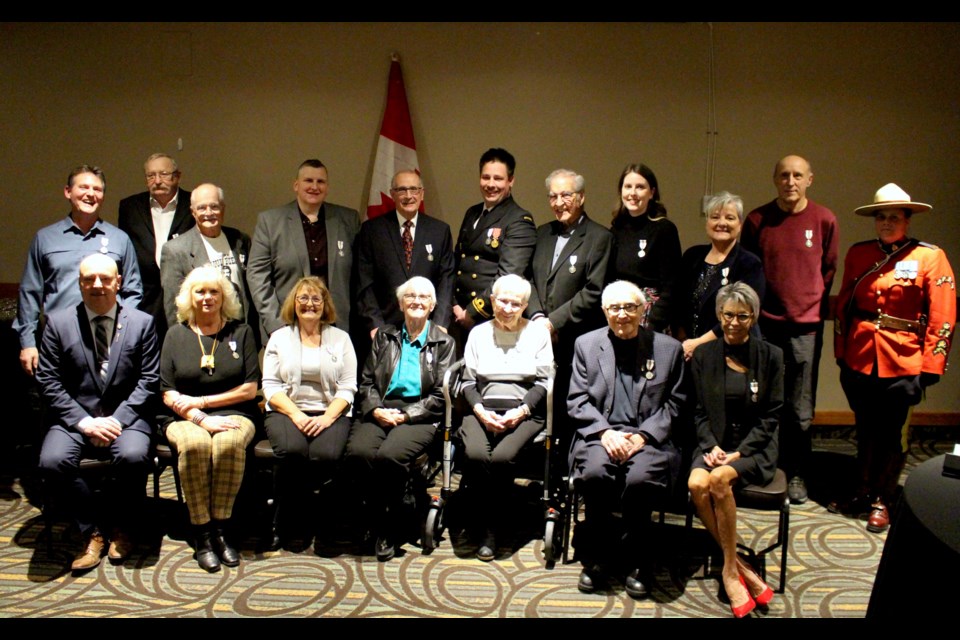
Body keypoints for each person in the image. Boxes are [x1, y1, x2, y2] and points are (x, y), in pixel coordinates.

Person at [831, 183, 955, 533]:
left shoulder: (930, 257)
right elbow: (845, 306)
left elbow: (942, 315)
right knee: (865, 429)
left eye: (894, 217)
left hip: (904, 361)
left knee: (892, 435)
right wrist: (842, 352)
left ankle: (883, 498)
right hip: (860, 357)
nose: (886, 223)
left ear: (907, 220)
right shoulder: (860, 253)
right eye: (881, 217)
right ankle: (862, 490)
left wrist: (932, 365)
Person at [36, 253, 159, 572]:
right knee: (52, 461)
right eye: (89, 279)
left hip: (126, 417)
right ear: (79, 283)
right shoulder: (58, 324)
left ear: (118, 282)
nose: (97, 285)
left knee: (133, 456)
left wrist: (117, 420)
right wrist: (84, 422)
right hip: (75, 418)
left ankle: (122, 527)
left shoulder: (142, 323)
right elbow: (48, 380)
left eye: (105, 278)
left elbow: (148, 380)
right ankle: (91, 529)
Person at [567, 280, 685, 599]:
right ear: (604, 311)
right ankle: (597, 559)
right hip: (599, 433)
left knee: (640, 480)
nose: (622, 315)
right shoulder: (586, 345)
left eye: (630, 307)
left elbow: (677, 404)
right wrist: (604, 432)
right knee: (593, 474)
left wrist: (643, 436)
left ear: (643, 309)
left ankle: (638, 561)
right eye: (615, 308)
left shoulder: (668, 349)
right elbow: (577, 399)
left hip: (648, 438)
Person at [741, 155, 839, 504]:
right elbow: (749, 270)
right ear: (775, 179)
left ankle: (797, 472)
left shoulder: (824, 219)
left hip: (805, 329)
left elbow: (828, 271)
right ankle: (767, 468)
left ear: (809, 179)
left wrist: (808, 303)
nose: (790, 181)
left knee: (800, 407)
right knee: (765, 401)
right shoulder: (757, 220)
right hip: (766, 326)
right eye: (784, 175)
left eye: (798, 175)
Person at [687, 282, 782, 617]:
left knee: (718, 481)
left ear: (753, 317)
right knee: (696, 483)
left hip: (752, 448)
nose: (734, 322)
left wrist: (738, 453)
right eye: (728, 314)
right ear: (719, 315)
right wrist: (710, 446)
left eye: (742, 316)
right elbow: (698, 410)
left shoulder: (771, 356)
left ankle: (729, 571)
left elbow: (771, 415)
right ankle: (740, 564)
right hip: (713, 441)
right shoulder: (703, 354)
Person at [345, 276, 456, 561]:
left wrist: (406, 415)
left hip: (420, 415)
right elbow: (367, 381)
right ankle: (371, 516)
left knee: (389, 456)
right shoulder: (385, 335)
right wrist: (375, 410)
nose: (417, 302)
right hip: (381, 409)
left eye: (423, 298)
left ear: (432, 305)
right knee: (359, 452)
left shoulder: (444, 342)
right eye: (410, 297)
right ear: (400, 303)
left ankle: (389, 527)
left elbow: (440, 396)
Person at [159, 266, 261, 573]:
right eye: (200, 291)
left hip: (236, 414)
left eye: (214, 291)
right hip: (185, 417)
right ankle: (201, 533)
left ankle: (221, 529)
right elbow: (166, 391)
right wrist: (200, 417)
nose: (207, 298)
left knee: (228, 444)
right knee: (195, 446)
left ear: (224, 297)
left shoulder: (241, 332)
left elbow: (249, 389)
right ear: (189, 297)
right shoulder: (175, 335)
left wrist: (204, 402)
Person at [15, 165, 142, 377]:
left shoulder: (120, 239)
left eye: (97, 189)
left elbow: (133, 290)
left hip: (107, 342)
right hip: (57, 341)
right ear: (68, 192)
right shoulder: (45, 238)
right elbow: (30, 293)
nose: (90, 194)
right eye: (84, 187)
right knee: (57, 404)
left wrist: (122, 333)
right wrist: (28, 343)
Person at [460, 274, 552, 561]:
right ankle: (487, 518)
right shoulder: (477, 333)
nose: (508, 308)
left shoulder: (538, 333)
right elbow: (466, 381)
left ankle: (491, 529)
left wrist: (521, 411)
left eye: (515, 303)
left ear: (525, 306)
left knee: (500, 458)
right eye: (502, 301)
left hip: (526, 411)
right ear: (492, 301)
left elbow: (545, 381)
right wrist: (479, 410)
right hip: (482, 408)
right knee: (476, 455)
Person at [262, 276, 357, 545]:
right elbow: (270, 386)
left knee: (325, 455)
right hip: (286, 410)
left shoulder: (341, 339)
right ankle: (290, 520)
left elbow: (349, 387)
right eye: (303, 298)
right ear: (294, 302)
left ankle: (327, 521)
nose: (309, 304)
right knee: (293, 452)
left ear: (325, 304)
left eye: (316, 299)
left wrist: (327, 417)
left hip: (331, 411)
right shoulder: (279, 338)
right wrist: (296, 414)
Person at [528, 169, 612, 470]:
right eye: (553, 196)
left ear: (581, 197)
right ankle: (540, 471)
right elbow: (530, 281)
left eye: (566, 195)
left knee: (569, 407)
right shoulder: (541, 233)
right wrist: (538, 316)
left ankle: (566, 473)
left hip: (575, 339)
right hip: (538, 337)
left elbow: (594, 290)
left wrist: (553, 322)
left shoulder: (600, 237)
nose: (559, 201)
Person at [247, 159, 360, 340]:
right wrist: (276, 324)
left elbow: (359, 276)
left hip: (337, 329)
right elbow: (257, 276)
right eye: (308, 181)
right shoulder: (270, 222)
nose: (314, 186)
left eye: (320, 182)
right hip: (287, 328)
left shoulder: (348, 220)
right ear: (296, 185)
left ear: (327, 187)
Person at [355, 169, 455, 338]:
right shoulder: (371, 230)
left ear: (422, 194)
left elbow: (446, 281)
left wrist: (440, 324)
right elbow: (364, 282)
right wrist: (375, 325)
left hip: (428, 329)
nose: (408, 195)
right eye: (401, 190)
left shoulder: (439, 231)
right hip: (384, 330)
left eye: (414, 189)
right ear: (392, 194)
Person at [452, 148, 536, 341]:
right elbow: (458, 261)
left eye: (498, 178)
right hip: (459, 314)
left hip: (489, 318)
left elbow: (508, 274)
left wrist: (472, 312)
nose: (490, 184)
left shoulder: (519, 220)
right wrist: (454, 305)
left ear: (511, 181)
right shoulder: (472, 213)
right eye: (485, 177)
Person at [159, 183, 258, 346]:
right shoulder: (175, 250)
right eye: (202, 208)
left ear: (223, 209)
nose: (209, 213)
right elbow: (173, 307)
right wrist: (185, 345)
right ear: (193, 211)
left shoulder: (240, 240)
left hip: (241, 334)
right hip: (200, 339)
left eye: (214, 206)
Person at [677, 191, 766, 360]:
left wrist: (699, 343)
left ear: (740, 224)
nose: (722, 223)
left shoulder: (749, 263)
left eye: (730, 218)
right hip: (688, 351)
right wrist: (684, 340)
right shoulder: (691, 256)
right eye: (715, 217)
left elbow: (744, 314)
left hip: (731, 352)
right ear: (707, 222)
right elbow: (678, 302)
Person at [118, 152, 195, 340]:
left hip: (185, 296)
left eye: (164, 174)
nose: (157, 180)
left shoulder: (193, 203)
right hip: (144, 298)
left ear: (177, 176)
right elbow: (125, 253)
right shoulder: (130, 207)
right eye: (151, 175)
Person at [608, 163, 681, 333]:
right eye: (628, 187)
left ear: (652, 192)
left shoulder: (664, 229)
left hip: (650, 319)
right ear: (621, 192)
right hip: (619, 316)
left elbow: (672, 285)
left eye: (640, 187)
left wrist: (653, 323)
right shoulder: (616, 229)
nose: (632, 193)